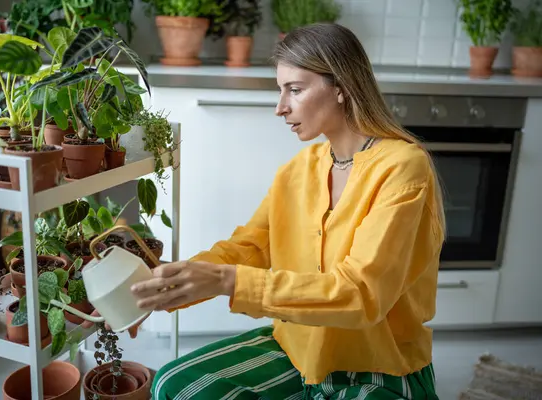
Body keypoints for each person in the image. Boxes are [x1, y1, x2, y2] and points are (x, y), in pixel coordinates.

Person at [128, 23, 446, 399]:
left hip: (378, 365)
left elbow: (361, 293)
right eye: (281, 91)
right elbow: (252, 247)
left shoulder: (402, 167)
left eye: (295, 90)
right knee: (174, 385)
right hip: (299, 349)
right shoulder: (300, 168)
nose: (280, 108)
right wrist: (169, 285)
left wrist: (227, 280)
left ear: (341, 87)